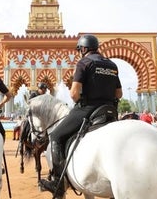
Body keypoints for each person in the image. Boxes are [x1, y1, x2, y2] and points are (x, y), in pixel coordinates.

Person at [39, 34, 122, 198]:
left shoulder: (84, 62)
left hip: (88, 109)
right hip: (110, 111)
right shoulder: (112, 65)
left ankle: (58, 182)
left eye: (80, 50)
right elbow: (118, 94)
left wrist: (81, 98)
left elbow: (74, 94)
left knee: (56, 136)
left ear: (84, 49)